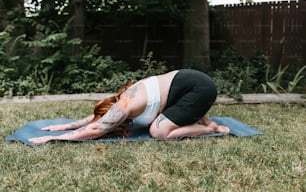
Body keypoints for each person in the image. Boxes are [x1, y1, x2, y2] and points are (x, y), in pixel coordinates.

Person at [29, 69, 229, 144]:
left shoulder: (124, 107)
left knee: (159, 131)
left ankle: (208, 127)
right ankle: (200, 117)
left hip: (198, 88)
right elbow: (98, 120)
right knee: (168, 117)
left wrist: (55, 138)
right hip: (185, 85)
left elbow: (97, 128)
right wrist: (67, 126)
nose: (107, 119)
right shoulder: (120, 103)